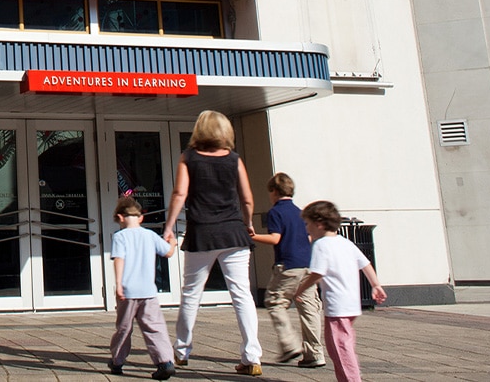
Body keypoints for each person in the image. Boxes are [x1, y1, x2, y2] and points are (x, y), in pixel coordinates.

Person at [161, 110, 263, 376]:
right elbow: (247, 198)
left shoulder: (189, 158)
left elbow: (180, 193)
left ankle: (182, 351)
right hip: (233, 234)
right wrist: (248, 222)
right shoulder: (234, 159)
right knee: (242, 295)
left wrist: (169, 227)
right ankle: (252, 357)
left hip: (202, 233)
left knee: (192, 294)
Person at [292, 200, 387, 382]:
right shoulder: (345, 243)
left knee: (339, 347)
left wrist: (300, 290)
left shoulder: (321, 245)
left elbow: (317, 273)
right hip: (351, 304)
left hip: (337, 307)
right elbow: (365, 264)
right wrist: (376, 285)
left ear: (319, 224)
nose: (306, 229)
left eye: (307, 224)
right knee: (344, 344)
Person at [250, 173, 324, 368]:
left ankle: (289, 344)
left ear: (274, 191)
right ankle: (315, 353)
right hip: (306, 265)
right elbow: (309, 238)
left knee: (275, 301)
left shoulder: (276, 212)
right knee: (309, 308)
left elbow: (275, 238)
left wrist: (253, 237)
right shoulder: (300, 212)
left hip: (288, 265)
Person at [107, 196, 176, 380]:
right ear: (141, 218)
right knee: (155, 328)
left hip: (128, 292)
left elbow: (119, 259)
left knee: (124, 328)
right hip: (149, 292)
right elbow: (168, 252)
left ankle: (117, 361)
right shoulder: (150, 235)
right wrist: (173, 241)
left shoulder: (120, 236)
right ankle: (165, 362)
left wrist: (119, 284)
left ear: (120, 218)